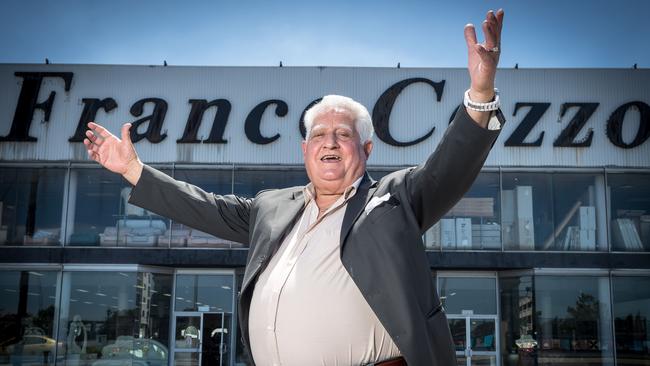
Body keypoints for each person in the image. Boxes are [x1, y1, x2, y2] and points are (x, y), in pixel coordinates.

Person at [84, 9, 505, 366]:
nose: (331, 142)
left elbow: (447, 168)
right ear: (305, 150)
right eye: (320, 134)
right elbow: (204, 207)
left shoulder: (394, 199)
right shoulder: (272, 207)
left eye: (344, 134)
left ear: (367, 148)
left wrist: (481, 93)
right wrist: (136, 171)